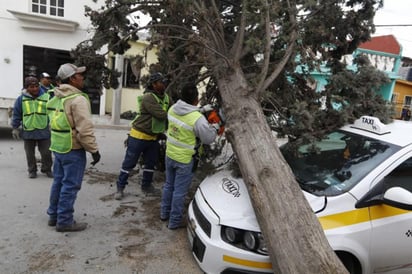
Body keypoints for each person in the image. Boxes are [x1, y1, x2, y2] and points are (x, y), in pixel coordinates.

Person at [46, 63, 101, 232]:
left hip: (58, 146)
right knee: (70, 185)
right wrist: (94, 150)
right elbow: (84, 129)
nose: (82, 77)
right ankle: (64, 221)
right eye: (79, 75)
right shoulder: (77, 99)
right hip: (73, 149)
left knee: (58, 182)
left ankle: (53, 216)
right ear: (71, 79)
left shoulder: (55, 96)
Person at [160, 84, 222, 230]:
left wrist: (202, 110)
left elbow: (186, 114)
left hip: (170, 155)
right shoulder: (197, 119)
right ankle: (174, 221)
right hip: (185, 160)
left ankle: (164, 214)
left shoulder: (173, 109)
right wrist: (216, 127)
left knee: (169, 186)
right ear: (196, 99)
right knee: (179, 192)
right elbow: (208, 138)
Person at [114, 72, 171, 200]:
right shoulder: (148, 97)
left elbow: (171, 109)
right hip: (138, 136)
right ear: (154, 84)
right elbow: (162, 115)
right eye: (161, 82)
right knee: (129, 163)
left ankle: (146, 186)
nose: (164, 84)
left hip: (153, 137)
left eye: (164, 82)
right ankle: (120, 187)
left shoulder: (166, 97)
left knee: (150, 164)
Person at [11, 76, 53, 178]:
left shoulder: (47, 97)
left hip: (43, 129)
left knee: (47, 152)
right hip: (28, 129)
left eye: (36, 86)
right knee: (30, 154)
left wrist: (53, 124)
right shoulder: (21, 99)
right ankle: (32, 170)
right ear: (27, 88)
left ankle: (46, 169)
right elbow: (17, 114)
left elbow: (53, 112)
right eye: (31, 87)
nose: (34, 89)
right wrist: (15, 128)